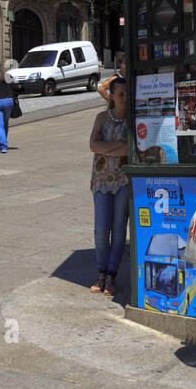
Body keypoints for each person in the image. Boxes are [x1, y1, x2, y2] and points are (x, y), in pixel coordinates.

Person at [89, 78, 129, 297]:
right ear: (111, 96)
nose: (124, 99)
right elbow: (93, 145)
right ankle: (101, 272)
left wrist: (107, 149)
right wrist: (118, 148)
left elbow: (131, 149)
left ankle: (112, 274)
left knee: (120, 228)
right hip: (102, 180)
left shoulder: (133, 120)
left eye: (126, 94)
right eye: (120, 94)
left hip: (123, 180)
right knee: (101, 229)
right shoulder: (101, 118)